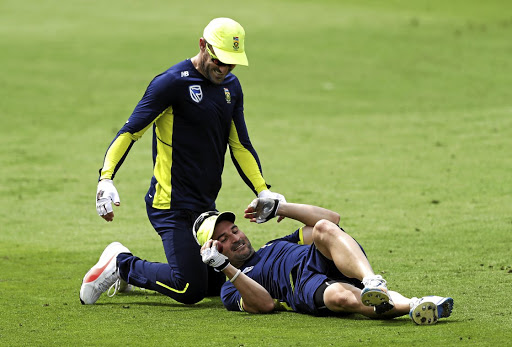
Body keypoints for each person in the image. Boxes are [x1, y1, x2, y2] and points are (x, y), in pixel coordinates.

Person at [80, 18, 285, 305]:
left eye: (231, 64)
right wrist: (106, 179)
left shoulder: (231, 87)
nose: (224, 69)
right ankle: (120, 263)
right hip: (170, 205)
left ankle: (134, 273)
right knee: (189, 288)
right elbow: (130, 132)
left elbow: (239, 144)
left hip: (205, 210)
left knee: (224, 278)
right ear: (203, 45)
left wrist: (262, 190)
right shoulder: (172, 83)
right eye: (219, 60)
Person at [195, 198, 454, 325]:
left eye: (235, 230)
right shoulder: (230, 288)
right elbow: (263, 304)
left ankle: (372, 281)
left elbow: (332, 219)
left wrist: (279, 208)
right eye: (224, 239)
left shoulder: (274, 244)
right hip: (303, 286)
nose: (236, 238)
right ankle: (416, 305)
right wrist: (224, 267)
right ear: (215, 249)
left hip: (322, 258)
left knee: (322, 228)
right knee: (342, 298)